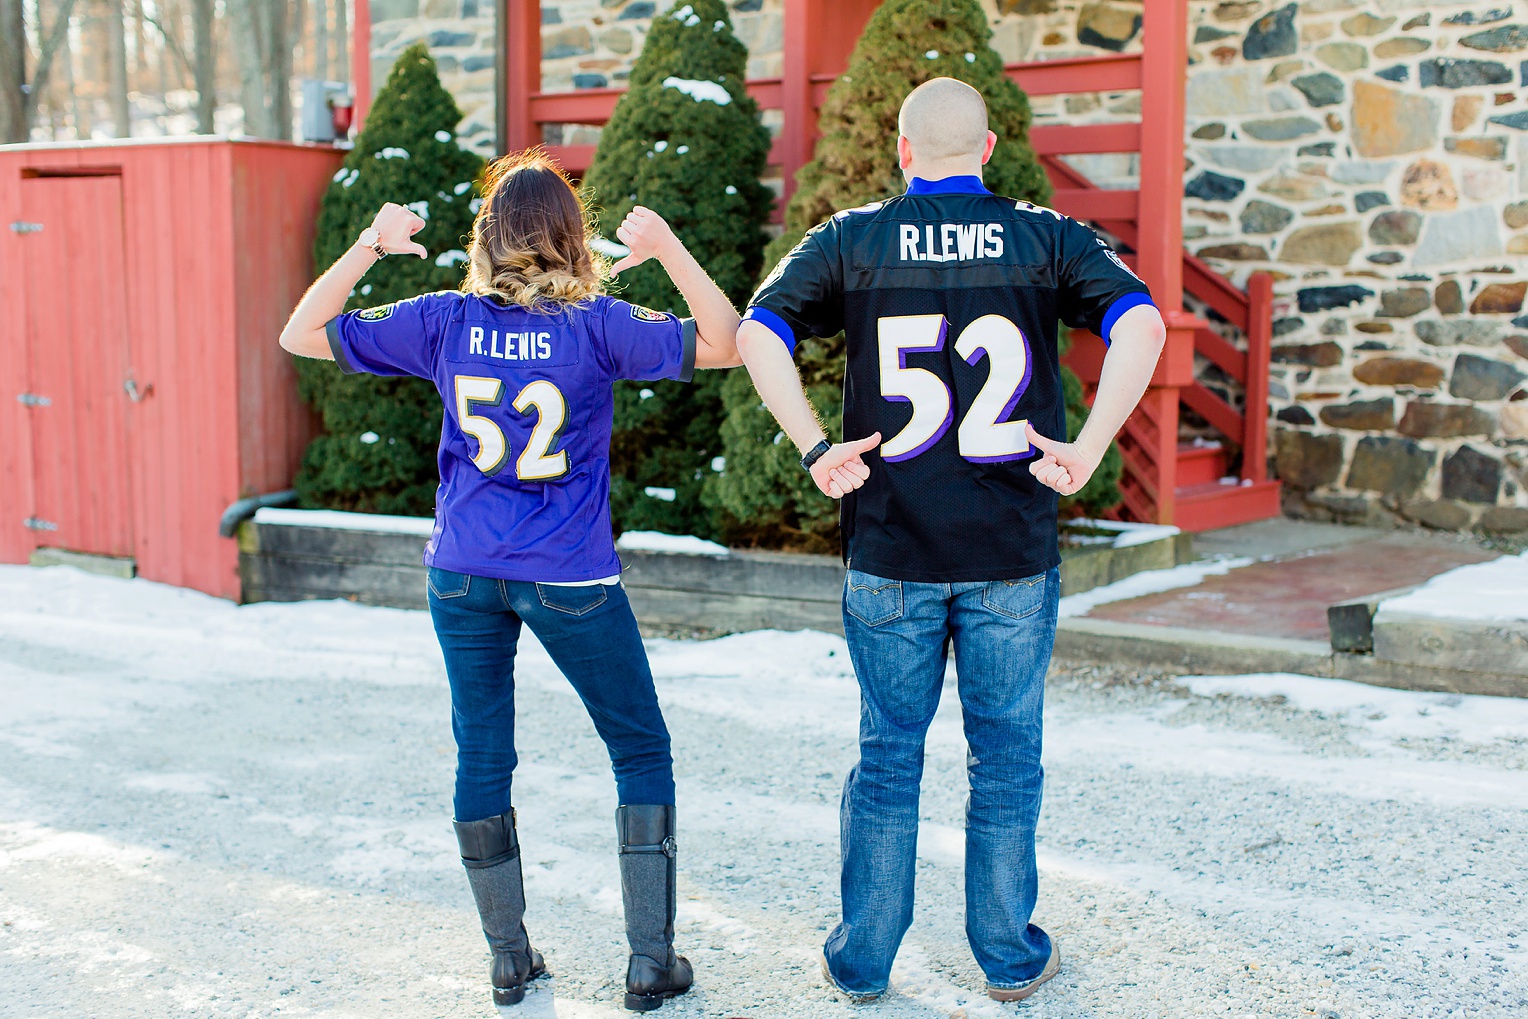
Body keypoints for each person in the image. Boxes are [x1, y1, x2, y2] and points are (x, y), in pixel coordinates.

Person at [277, 149, 742, 1012]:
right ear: (574, 237)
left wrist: (373, 245)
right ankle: (650, 961)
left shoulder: (444, 319)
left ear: (486, 238)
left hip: (462, 570)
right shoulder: (597, 322)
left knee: (483, 754)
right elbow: (728, 341)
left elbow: (300, 332)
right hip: (568, 571)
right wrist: (670, 247)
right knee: (639, 748)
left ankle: (507, 956)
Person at [734, 78, 1168, 1003]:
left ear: (901, 152)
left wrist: (815, 447)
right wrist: (1090, 448)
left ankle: (862, 961)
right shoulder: (1044, 233)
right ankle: (1008, 955)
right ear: (991, 147)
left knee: (889, 753)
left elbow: (756, 331)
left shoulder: (852, 235)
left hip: (891, 547)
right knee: (1006, 755)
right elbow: (1144, 320)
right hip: (1009, 545)